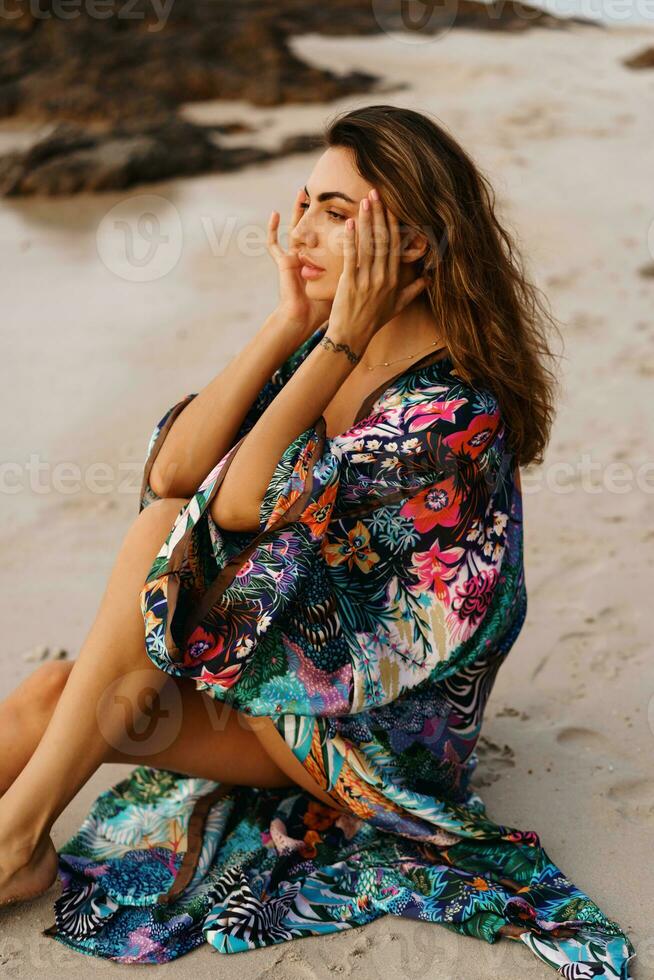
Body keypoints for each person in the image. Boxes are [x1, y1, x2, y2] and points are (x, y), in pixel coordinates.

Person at [0, 105, 635, 977]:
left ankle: (14, 838)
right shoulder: (335, 344)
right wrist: (289, 326)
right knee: (49, 696)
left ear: (413, 244)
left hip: (375, 742)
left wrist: (329, 343)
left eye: (337, 215)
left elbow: (230, 511)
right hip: (283, 686)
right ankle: (15, 840)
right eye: (303, 204)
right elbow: (179, 473)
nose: (301, 230)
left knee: (156, 547)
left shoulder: (452, 415)